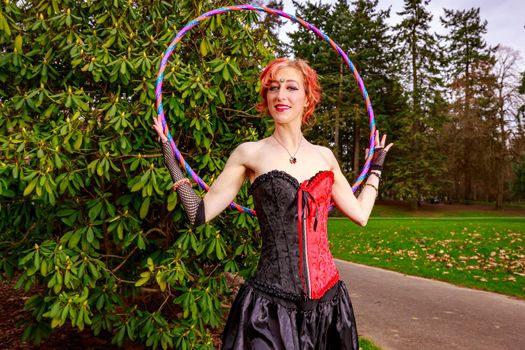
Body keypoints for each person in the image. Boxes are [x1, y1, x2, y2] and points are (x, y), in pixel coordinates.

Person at [153, 57, 392, 350]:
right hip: (270, 308)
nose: (280, 95)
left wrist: (377, 168)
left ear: (307, 98)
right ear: (266, 97)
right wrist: (170, 158)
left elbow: (361, 214)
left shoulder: (325, 157)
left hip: (327, 306)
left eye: (291, 87)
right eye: (273, 88)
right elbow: (198, 213)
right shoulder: (250, 153)